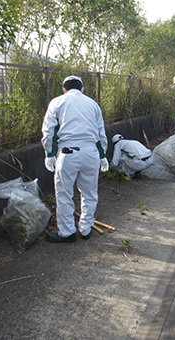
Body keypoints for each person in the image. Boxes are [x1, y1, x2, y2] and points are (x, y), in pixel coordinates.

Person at [42, 75, 108, 243]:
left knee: (64, 194)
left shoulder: (57, 102)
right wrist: (102, 156)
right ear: (82, 89)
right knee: (89, 193)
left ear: (64, 89)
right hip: (91, 152)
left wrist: (49, 155)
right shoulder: (93, 104)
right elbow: (100, 133)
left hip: (68, 153)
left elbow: (49, 131)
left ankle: (67, 232)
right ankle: (86, 229)